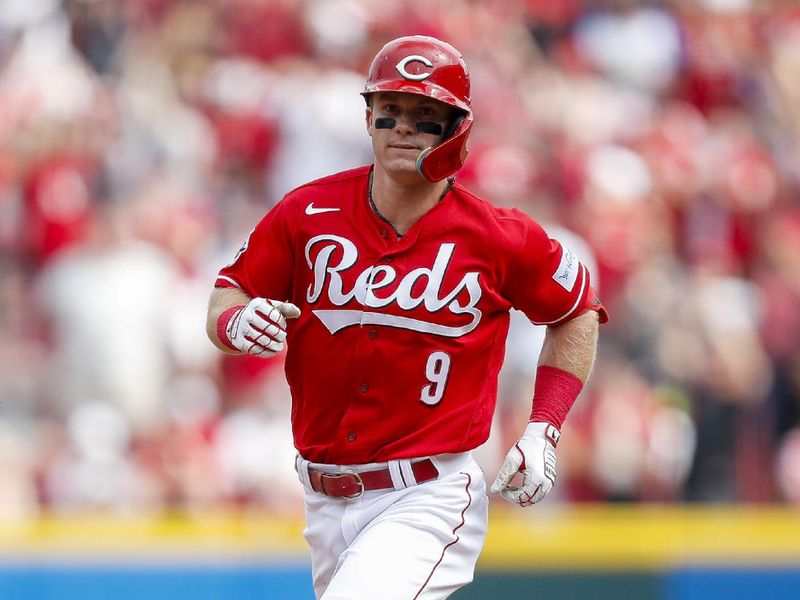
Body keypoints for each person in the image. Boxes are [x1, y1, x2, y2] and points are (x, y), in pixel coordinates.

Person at [206, 35, 607, 600]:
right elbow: (228, 294)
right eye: (389, 111)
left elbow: (578, 310)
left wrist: (545, 424)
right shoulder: (307, 212)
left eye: (425, 115)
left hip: (428, 493)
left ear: (456, 129)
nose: (403, 128)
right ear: (367, 116)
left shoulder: (499, 236)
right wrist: (236, 323)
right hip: (322, 497)